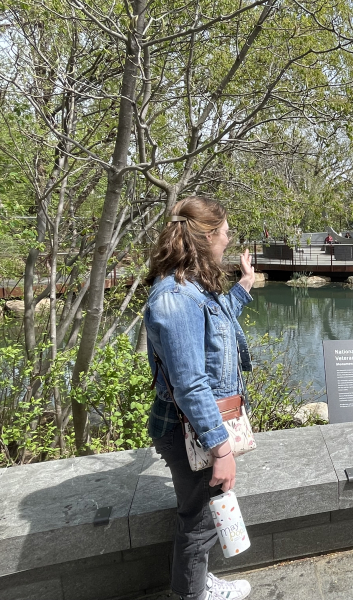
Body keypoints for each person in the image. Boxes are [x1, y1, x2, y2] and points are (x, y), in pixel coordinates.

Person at [144, 196, 255, 600]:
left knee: (204, 509)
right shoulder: (174, 297)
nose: (228, 241)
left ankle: (197, 582)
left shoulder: (190, 287)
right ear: (207, 236)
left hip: (197, 427)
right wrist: (221, 450)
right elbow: (190, 384)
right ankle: (193, 594)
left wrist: (243, 286)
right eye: (225, 233)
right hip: (189, 428)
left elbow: (213, 324)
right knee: (200, 518)